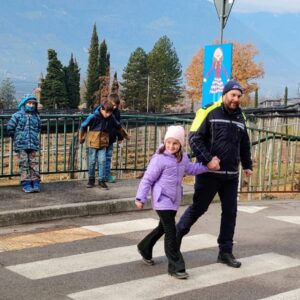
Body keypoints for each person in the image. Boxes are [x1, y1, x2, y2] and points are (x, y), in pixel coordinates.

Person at [176, 80, 253, 268]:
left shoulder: (240, 117)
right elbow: (194, 139)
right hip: (209, 173)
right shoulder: (208, 111)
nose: (235, 99)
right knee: (198, 208)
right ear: (225, 94)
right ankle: (174, 241)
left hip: (231, 175)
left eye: (238, 96)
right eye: (233, 95)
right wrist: (208, 160)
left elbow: (244, 143)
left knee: (230, 213)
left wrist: (247, 164)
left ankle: (225, 252)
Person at [135, 125, 219, 279]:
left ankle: (144, 247)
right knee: (171, 232)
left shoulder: (183, 158)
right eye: (168, 142)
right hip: (161, 199)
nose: (171, 146)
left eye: (175, 143)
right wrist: (140, 197)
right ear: (165, 142)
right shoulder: (159, 159)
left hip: (174, 199)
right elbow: (147, 179)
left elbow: (191, 169)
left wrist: (207, 166)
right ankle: (176, 266)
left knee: (162, 228)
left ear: (180, 144)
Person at [79, 99, 129, 189]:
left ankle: (101, 180)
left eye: (110, 113)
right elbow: (83, 126)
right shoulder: (93, 116)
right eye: (107, 112)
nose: (108, 114)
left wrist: (125, 135)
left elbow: (118, 126)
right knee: (92, 161)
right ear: (102, 109)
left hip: (103, 142)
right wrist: (82, 138)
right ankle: (91, 179)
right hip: (93, 142)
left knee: (102, 161)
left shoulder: (111, 117)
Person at [7, 94, 41, 193]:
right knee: (24, 164)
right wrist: (17, 137)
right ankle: (26, 183)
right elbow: (10, 128)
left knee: (34, 164)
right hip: (21, 145)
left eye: (33, 104)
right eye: (29, 103)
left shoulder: (36, 117)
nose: (31, 105)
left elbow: (38, 128)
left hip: (33, 145)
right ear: (24, 103)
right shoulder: (17, 115)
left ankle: (35, 182)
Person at [105, 93, 123, 183]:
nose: (115, 107)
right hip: (102, 138)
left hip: (111, 138)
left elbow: (118, 126)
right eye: (113, 105)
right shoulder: (104, 110)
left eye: (116, 105)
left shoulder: (117, 112)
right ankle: (101, 175)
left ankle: (106, 175)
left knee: (108, 157)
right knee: (101, 158)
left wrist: (120, 137)